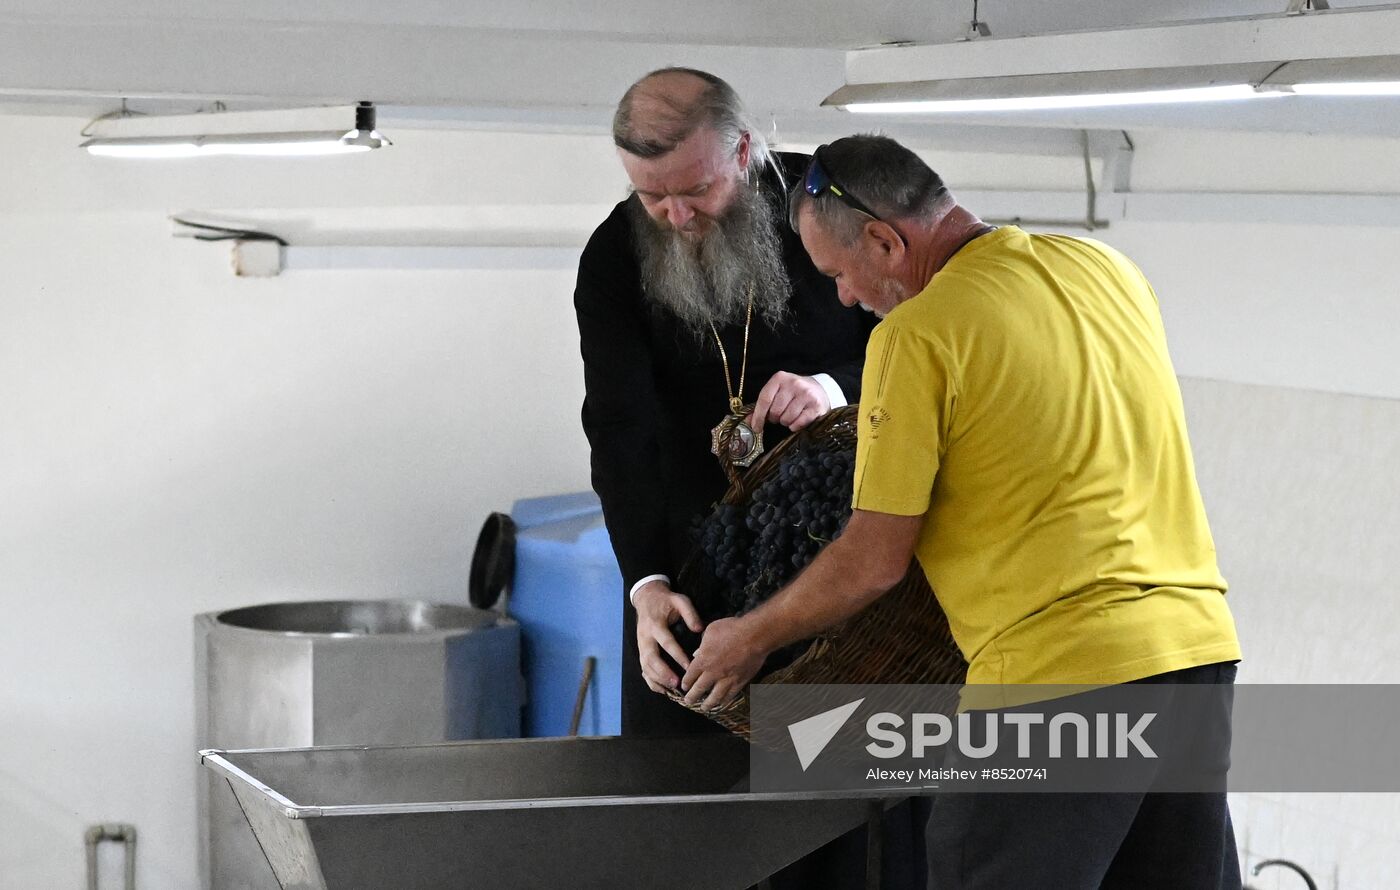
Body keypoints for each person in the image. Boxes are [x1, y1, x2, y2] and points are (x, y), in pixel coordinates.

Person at [681, 134, 1244, 889]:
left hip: (1057, 677)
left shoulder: (917, 335)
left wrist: (749, 637)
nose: (846, 297)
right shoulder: (1105, 270)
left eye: (841, 275)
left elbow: (875, 558)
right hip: (1195, 654)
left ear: (885, 240)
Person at [574, 68, 876, 738]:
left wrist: (831, 389)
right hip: (692, 571)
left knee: (831, 799)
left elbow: (922, 348)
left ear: (743, 153)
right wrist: (646, 587)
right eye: (651, 195)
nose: (677, 217)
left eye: (696, 189)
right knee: (685, 814)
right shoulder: (614, 258)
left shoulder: (834, 208)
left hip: (843, 560)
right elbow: (619, 432)